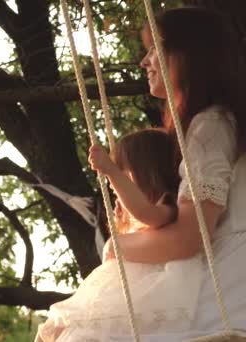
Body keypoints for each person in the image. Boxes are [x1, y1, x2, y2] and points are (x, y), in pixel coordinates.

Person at [39, 6, 246, 341]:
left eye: (155, 49)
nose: (144, 61)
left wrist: (118, 247)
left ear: (188, 55)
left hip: (230, 277)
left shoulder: (210, 125)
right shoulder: (225, 121)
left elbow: (191, 237)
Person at [35, 128, 200, 341]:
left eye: (124, 172)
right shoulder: (134, 222)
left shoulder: (165, 205)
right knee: (57, 329)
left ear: (147, 171)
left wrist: (111, 172)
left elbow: (145, 212)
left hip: (145, 292)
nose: (115, 185)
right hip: (117, 291)